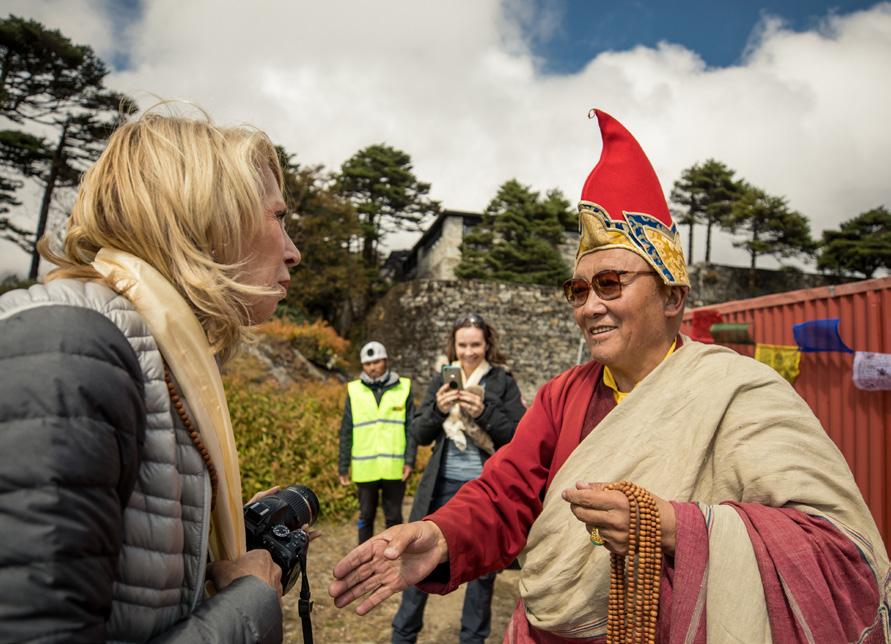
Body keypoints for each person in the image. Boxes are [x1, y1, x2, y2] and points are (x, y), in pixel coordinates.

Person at [329, 110, 890, 642]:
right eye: (578, 289)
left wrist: (669, 526)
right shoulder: (564, 395)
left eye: (610, 283)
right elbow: (506, 494)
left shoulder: (739, 393)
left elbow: (835, 551)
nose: (589, 307)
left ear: (672, 296)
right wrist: (441, 535)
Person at [0, 110, 301, 642]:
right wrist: (250, 601)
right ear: (208, 216)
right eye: (277, 216)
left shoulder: (151, 353)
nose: (293, 252)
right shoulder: (71, 349)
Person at [391, 314, 526, 644]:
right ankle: (403, 635)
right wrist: (438, 410)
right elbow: (418, 433)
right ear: (453, 345)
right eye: (462, 345)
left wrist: (484, 412)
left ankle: (472, 639)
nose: (468, 352)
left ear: (487, 344)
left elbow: (518, 436)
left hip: (485, 490)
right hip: (440, 488)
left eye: (475, 344)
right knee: (420, 561)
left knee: (482, 573)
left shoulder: (502, 381)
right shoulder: (442, 378)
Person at [339, 340, 417, 544]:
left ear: (386, 361)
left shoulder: (404, 388)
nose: (372, 367)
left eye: (377, 362)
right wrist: (343, 465)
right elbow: (346, 429)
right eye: (367, 363)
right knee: (366, 517)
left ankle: (395, 556)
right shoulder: (354, 390)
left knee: (394, 518)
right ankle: (364, 557)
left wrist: (410, 460)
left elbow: (411, 428)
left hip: (394, 467)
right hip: (365, 469)